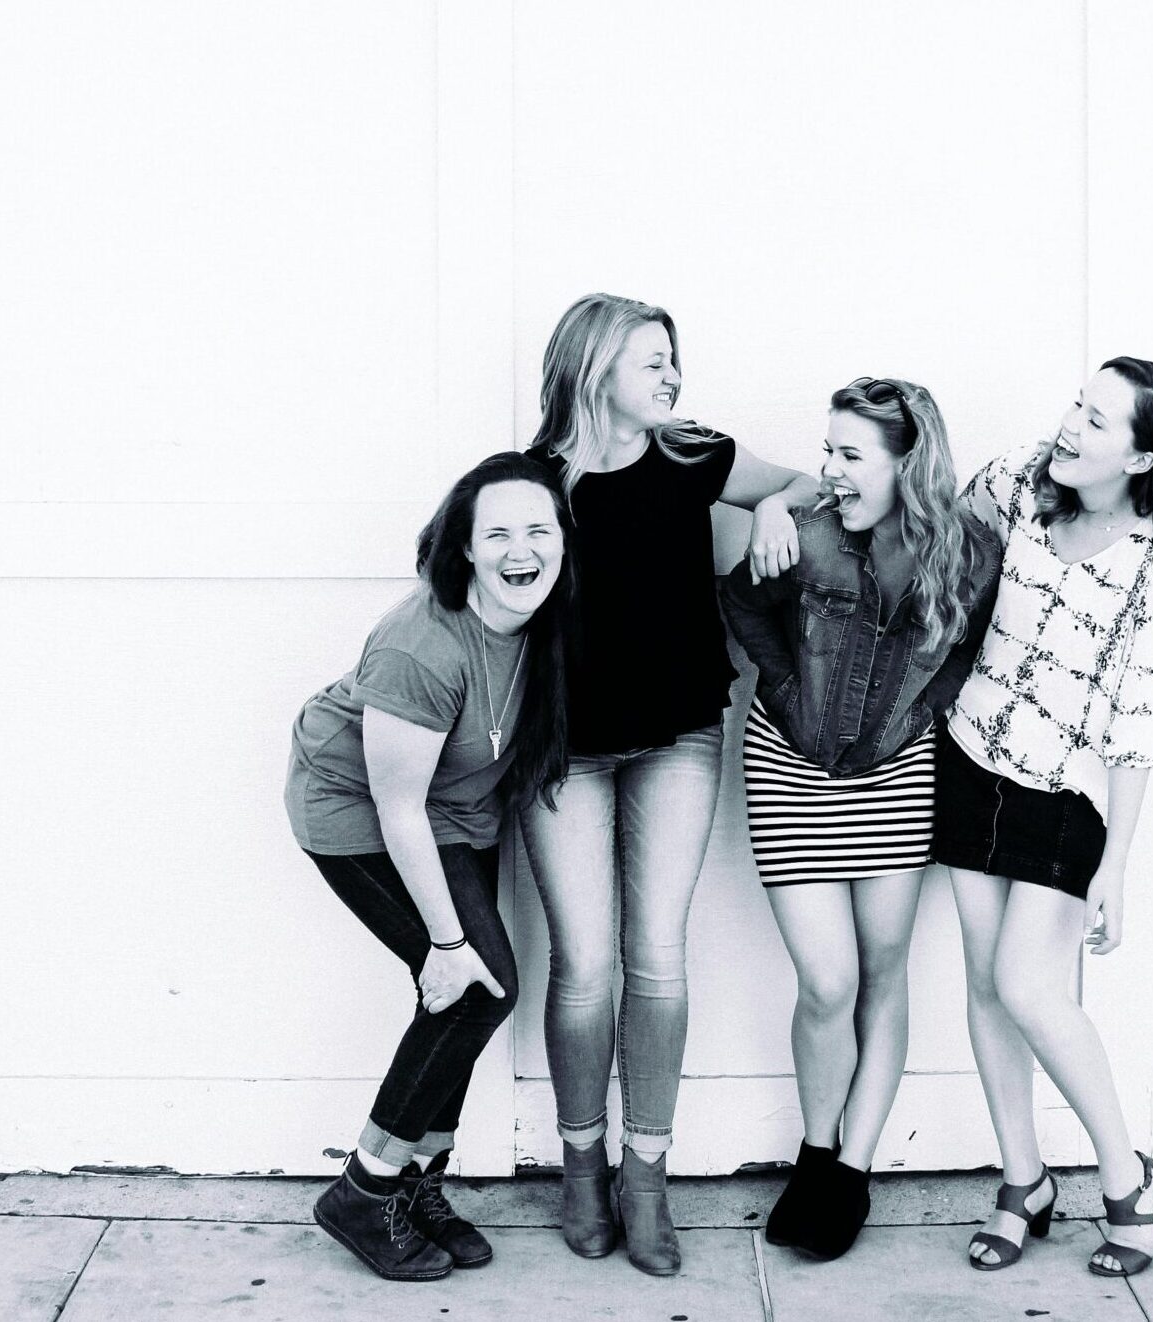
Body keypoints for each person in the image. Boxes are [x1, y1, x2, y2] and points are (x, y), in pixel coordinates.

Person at [521, 292, 817, 1276]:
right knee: (583, 966)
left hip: (680, 736)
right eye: (650, 360)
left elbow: (815, 486)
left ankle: (643, 1174)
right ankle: (579, 1161)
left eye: (672, 361)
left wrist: (768, 501)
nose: (670, 376)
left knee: (655, 958)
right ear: (592, 362)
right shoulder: (527, 484)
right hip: (561, 749)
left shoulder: (698, 459)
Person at [938, 358, 1153, 1278]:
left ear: (1142, 457)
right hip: (970, 754)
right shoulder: (1021, 479)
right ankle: (1023, 1182)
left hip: (1067, 792)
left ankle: (1127, 1177)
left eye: (1097, 422)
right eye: (1076, 404)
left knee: (1031, 989)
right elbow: (935, 533)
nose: (1070, 427)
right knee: (984, 982)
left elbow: (1140, 727)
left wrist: (1117, 864)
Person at [719, 377, 1000, 1260]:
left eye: (850, 454)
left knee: (883, 972)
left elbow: (972, 645)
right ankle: (816, 1146)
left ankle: (850, 1173)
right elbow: (741, 605)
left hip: (895, 777)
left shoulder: (969, 553)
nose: (829, 469)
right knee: (828, 983)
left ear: (908, 462)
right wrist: (788, 687)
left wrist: (927, 712)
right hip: (791, 770)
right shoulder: (802, 537)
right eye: (828, 449)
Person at [287, 452, 576, 1282]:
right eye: (497, 533)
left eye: (538, 529)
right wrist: (445, 945)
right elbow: (397, 807)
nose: (520, 550)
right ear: (465, 550)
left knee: (462, 1000)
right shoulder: (420, 645)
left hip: (457, 815)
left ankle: (418, 1183)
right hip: (361, 816)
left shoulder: (547, 620)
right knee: (475, 986)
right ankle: (364, 1188)